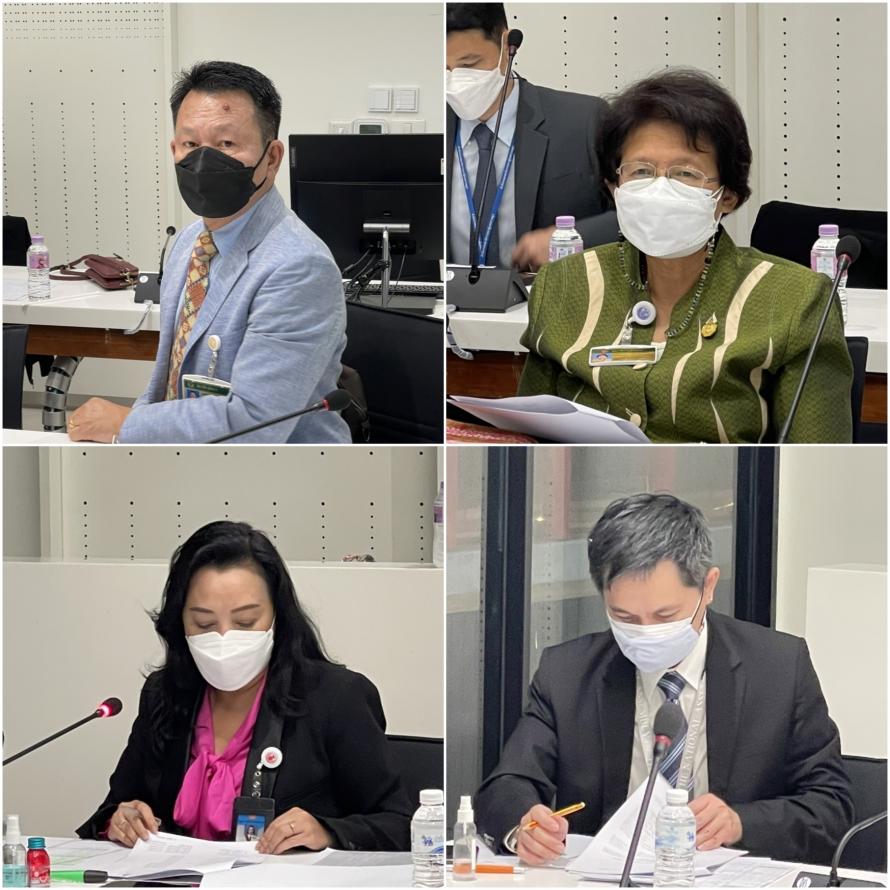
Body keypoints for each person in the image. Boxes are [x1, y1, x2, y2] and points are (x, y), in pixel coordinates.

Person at [475, 493, 853, 866]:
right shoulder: (567, 673)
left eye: (665, 615)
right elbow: (506, 786)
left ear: (708, 586)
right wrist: (524, 825)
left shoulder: (778, 668)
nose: (646, 631)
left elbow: (830, 807)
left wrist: (739, 823)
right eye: (624, 617)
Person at [518, 69, 853, 443]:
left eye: (685, 174)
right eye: (641, 171)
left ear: (728, 196)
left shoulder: (794, 299)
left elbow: (815, 455)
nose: (660, 189)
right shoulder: (563, 284)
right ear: (614, 187)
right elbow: (527, 436)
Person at [77, 521, 411, 851]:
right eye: (204, 623)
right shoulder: (163, 695)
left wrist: (327, 832)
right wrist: (119, 820)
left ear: (278, 616)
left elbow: (399, 824)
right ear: (180, 623)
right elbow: (116, 807)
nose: (224, 637)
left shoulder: (336, 698)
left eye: (246, 622)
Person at [67, 61, 350, 444]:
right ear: (174, 150)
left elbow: (255, 421)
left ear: (271, 158)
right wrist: (131, 437)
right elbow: (170, 382)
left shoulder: (299, 266)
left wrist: (125, 424)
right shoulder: (190, 242)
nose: (203, 160)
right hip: (191, 458)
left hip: (278, 468)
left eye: (226, 144)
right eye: (190, 144)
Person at [446, 3, 617, 271]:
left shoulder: (584, 120)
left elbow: (634, 218)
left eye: (470, 65)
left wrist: (569, 238)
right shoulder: (433, 135)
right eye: (444, 69)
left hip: (548, 293)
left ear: (507, 45)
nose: (455, 81)